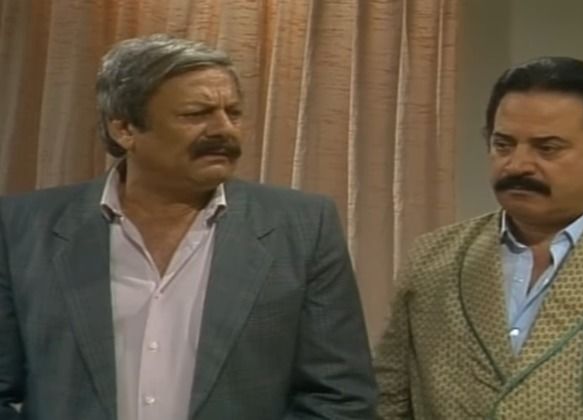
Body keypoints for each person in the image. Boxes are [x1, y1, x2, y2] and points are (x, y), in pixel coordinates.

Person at [0, 34, 376, 420]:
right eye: (196, 114)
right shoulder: (23, 228)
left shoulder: (303, 227)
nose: (223, 129)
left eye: (233, 113)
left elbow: (340, 397)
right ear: (124, 129)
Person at [374, 57, 583, 419]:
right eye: (503, 145)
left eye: (547, 148)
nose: (516, 165)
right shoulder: (433, 259)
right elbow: (388, 400)